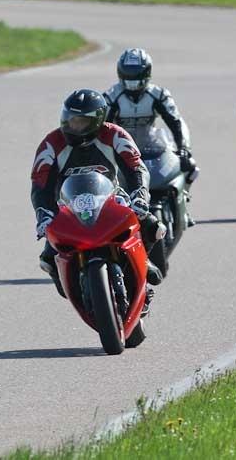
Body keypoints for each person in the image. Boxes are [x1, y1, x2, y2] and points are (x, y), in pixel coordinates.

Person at [31, 89, 165, 303]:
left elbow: (136, 168)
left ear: (98, 121)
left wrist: (140, 195)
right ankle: (71, 281)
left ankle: (143, 262)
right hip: (66, 206)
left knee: (153, 226)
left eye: (80, 122)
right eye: (69, 120)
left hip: (110, 198)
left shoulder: (115, 135)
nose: (72, 127)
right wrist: (43, 214)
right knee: (48, 258)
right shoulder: (51, 144)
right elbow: (40, 183)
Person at [104, 48, 199, 225]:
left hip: (151, 143)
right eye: (128, 76)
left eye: (136, 76)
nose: (132, 82)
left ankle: (183, 204)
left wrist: (184, 148)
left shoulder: (159, 95)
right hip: (122, 146)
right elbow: (102, 128)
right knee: (105, 177)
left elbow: (176, 122)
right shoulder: (111, 96)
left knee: (191, 167)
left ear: (147, 73)